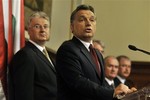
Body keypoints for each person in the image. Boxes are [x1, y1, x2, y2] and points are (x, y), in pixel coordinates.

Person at [56, 4, 135, 100]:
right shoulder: (68, 49)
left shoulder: (98, 54)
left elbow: (100, 86)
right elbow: (78, 82)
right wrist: (112, 93)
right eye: (82, 19)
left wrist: (123, 95)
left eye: (92, 20)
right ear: (72, 27)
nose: (88, 23)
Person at [8, 11, 57, 100]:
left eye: (45, 26)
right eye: (37, 26)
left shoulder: (49, 57)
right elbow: (23, 94)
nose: (42, 30)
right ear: (29, 31)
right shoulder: (25, 55)